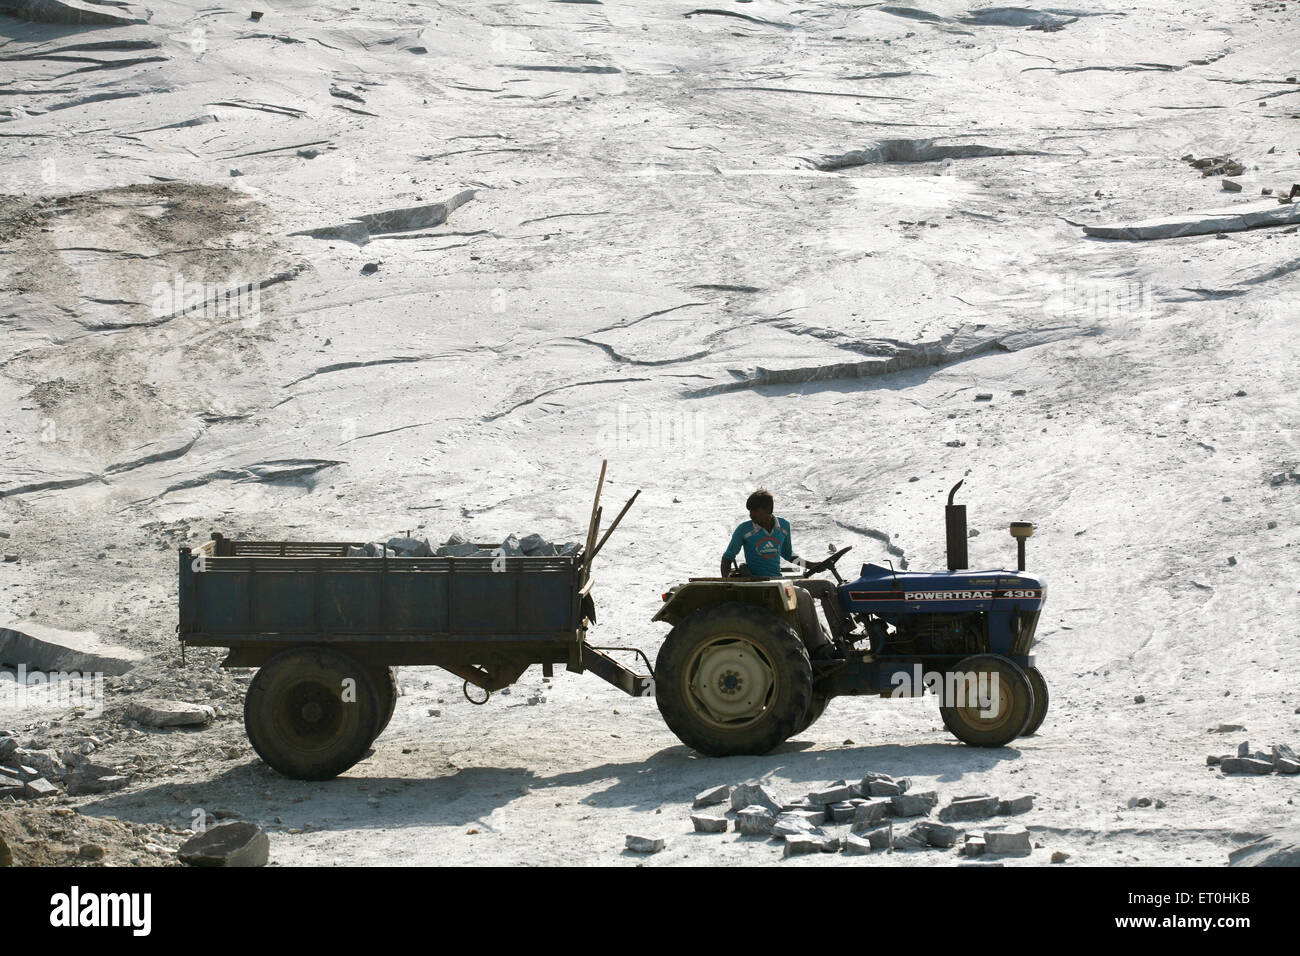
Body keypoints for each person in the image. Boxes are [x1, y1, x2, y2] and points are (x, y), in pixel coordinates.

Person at [721, 489, 842, 660]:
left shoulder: (783, 526)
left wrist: (811, 565)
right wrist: (726, 582)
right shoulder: (744, 530)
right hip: (763, 583)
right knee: (803, 595)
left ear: (767, 509)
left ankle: (843, 637)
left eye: (755, 510)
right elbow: (727, 558)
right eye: (750, 510)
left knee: (826, 587)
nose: (751, 515)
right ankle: (819, 648)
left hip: (780, 580)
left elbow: (788, 554)